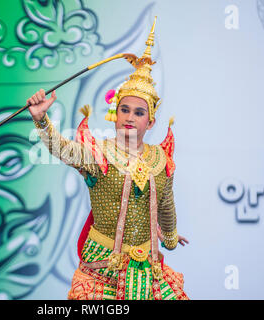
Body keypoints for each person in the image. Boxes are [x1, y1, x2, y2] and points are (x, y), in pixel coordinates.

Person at [27, 22, 189, 300]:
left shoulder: (160, 159)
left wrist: (170, 236)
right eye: (124, 109)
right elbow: (63, 150)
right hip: (103, 268)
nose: (129, 117)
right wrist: (42, 120)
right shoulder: (99, 152)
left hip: (147, 269)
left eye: (138, 113)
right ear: (115, 114)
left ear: (149, 122)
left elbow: (165, 202)